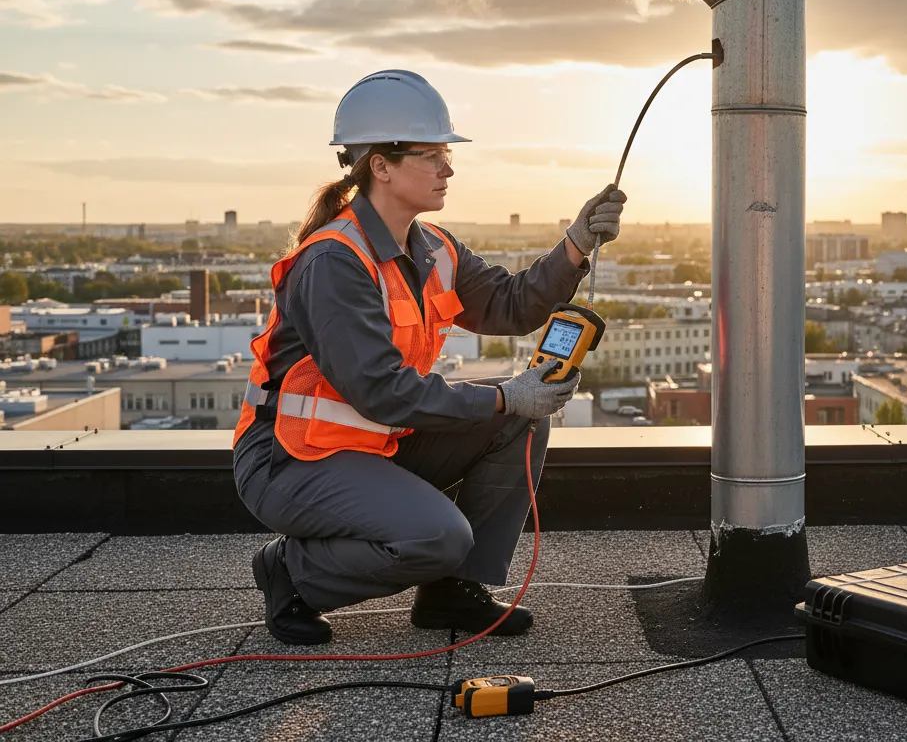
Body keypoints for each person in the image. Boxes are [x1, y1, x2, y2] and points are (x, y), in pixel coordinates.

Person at [233, 69, 626, 645]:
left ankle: (452, 592)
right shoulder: (335, 262)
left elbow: (509, 307)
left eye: (447, 154)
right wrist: (500, 393)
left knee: (519, 419)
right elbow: (380, 390)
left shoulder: (434, 248)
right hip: (292, 458)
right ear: (381, 165)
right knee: (439, 534)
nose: (448, 168)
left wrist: (575, 244)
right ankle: (293, 573)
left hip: (372, 443)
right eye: (433, 154)